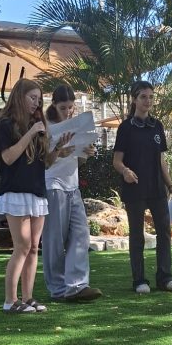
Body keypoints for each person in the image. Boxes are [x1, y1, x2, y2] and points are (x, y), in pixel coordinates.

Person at [0, 79, 73, 313]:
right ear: (20, 97)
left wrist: (58, 149)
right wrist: (31, 132)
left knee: (34, 247)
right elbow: (8, 158)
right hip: (15, 192)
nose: (36, 103)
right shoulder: (5, 124)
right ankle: (10, 301)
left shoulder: (36, 125)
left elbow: (45, 162)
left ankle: (28, 298)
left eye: (38, 99)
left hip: (37, 192)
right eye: (32, 98)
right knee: (22, 246)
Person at [112, 81, 172, 294]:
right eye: (143, 97)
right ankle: (139, 280)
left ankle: (165, 277)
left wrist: (171, 186)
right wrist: (125, 171)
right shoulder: (125, 128)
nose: (148, 101)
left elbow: (161, 160)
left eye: (151, 97)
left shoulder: (157, 126)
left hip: (157, 188)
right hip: (134, 189)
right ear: (134, 99)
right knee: (137, 236)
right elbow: (116, 161)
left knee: (164, 232)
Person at [41, 83, 103, 303]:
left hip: (72, 186)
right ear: (53, 105)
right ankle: (58, 289)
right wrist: (59, 150)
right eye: (63, 108)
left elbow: (79, 160)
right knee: (54, 240)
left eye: (70, 107)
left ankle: (77, 285)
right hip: (53, 185)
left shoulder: (77, 125)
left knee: (81, 234)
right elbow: (44, 163)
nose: (68, 112)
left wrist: (87, 151)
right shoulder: (46, 127)